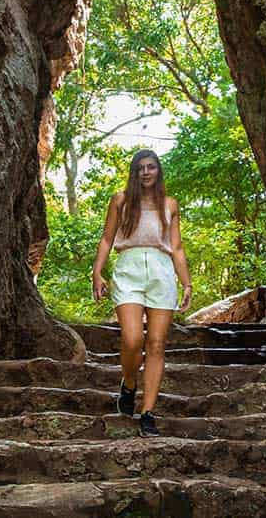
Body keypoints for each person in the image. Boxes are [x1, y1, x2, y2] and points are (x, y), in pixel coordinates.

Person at [91, 148, 192, 437]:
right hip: (129, 270)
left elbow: (177, 247)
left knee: (157, 343)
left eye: (151, 167)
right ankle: (129, 382)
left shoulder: (170, 204)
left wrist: (186, 283)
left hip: (161, 272)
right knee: (133, 339)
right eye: (140, 168)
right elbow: (107, 237)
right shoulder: (120, 201)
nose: (146, 172)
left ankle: (148, 413)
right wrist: (97, 272)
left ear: (158, 171)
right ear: (134, 173)